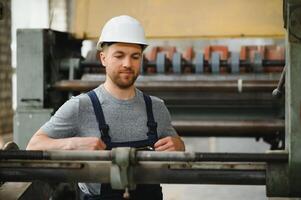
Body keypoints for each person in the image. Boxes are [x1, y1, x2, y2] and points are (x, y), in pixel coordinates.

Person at [27, 15, 185, 199]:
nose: (127, 64)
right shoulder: (81, 106)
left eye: (135, 56)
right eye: (119, 56)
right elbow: (33, 147)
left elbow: (177, 151)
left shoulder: (156, 108)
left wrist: (179, 145)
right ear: (103, 58)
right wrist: (74, 144)